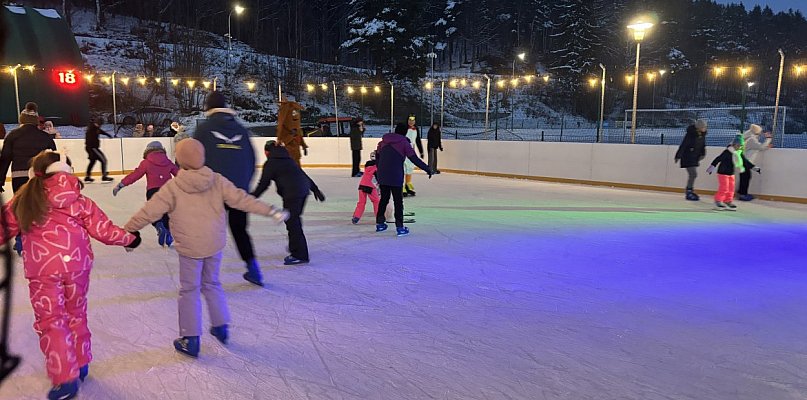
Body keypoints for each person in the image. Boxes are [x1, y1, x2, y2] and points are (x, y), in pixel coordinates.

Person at [124, 139, 288, 358]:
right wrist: (271, 211)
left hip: (189, 248)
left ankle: (190, 339)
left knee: (189, 290)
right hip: (213, 244)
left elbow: (149, 212)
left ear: (180, 160)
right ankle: (221, 326)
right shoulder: (216, 180)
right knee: (212, 283)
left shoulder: (173, 187)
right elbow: (242, 200)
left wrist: (128, 230)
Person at [2, 151, 141, 400]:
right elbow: (104, 230)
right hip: (78, 266)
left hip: (43, 269)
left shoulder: (26, 199)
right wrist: (130, 238)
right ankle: (81, 363)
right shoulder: (80, 200)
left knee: (52, 320)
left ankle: (66, 378)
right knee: (76, 313)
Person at [193, 92, 265, 285]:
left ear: (208, 107)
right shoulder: (241, 130)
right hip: (238, 191)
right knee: (240, 230)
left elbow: (193, 159)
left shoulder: (204, 129)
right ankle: (254, 269)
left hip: (212, 191)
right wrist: (244, 185)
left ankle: (203, 275)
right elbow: (251, 159)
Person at [252, 141, 325, 265]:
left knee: (293, 222)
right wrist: (315, 189)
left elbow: (263, 184)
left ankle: (300, 254)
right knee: (293, 220)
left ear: (266, 152)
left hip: (293, 193)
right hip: (302, 192)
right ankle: (295, 247)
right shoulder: (288, 159)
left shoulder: (271, 163)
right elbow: (303, 175)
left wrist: (250, 198)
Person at [0, 102, 57, 254]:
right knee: (40, 206)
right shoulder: (44, 136)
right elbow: (54, 158)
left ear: (22, 119)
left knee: (21, 207)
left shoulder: (12, 135)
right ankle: (42, 237)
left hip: (19, 177)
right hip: (39, 177)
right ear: (35, 120)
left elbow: (5, 158)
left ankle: (20, 240)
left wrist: (0, 179)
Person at [113, 141, 179, 246]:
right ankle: (169, 233)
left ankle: (159, 226)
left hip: (153, 191)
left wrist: (121, 184)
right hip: (168, 191)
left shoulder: (146, 162)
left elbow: (135, 175)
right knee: (167, 213)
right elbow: (180, 174)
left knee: (153, 213)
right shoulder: (168, 162)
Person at [375, 123, 432, 236]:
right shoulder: (404, 143)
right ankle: (400, 227)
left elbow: (377, 157)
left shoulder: (383, 142)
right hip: (396, 176)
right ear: (405, 132)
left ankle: (380, 223)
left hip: (383, 175)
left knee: (384, 199)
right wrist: (427, 169)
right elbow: (414, 158)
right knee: (398, 201)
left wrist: (380, 170)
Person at [707, 135, 744, 211]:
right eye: (738, 145)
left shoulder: (737, 154)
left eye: (740, 146)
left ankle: (728, 201)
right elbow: (718, 159)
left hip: (731, 173)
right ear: (733, 144)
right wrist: (711, 168)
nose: (739, 147)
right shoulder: (727, 152)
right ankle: (718, 200)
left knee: (731, 188)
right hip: (723, 172)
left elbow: (738, 163)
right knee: (724, 187)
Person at [674, 119, 708, 201]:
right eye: (704, 127)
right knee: (693, 174)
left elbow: (703, 145)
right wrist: (678, 156)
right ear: (699, 127)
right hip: (687, 157)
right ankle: (689, 191)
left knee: (693, 175)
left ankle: (690, 190)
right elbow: (683, 145)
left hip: (695, 157)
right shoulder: (690, 135)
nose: (705, 128)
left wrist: (703, 153)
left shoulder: (702, 135)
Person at [738, 124, 770, 201]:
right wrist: (768, 139)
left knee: (744, 177)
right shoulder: (752, 139)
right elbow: (761, 147)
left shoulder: (748, 136)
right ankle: (743, 194)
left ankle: (742, 192)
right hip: (746, 161)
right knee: (746, 177)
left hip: (743, 160)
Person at [352, 151, 380, 224]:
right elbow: (377, 177)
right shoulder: (377, 166)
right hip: (371, 186)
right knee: (376, 201)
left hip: (362, 185)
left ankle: (356, 217)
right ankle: (379, 217)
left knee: (361, 202)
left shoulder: (367, 165)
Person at [84, 118, 114, 183]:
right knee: (104, 160)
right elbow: (88, 141)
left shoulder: (95, 128)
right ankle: (104, 176)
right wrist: (91, 151)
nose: (99, 126)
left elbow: (101, 131)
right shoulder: (92, 129)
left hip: (92, 148)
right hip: (93, 148)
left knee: (92, 162)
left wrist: (107, 135)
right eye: (99, 124)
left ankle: (87, 177)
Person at [403, 114, 424, 197]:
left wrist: (421, 151)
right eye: (409, 120)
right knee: (403, 168)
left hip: (411, 152)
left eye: (413, 120)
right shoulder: (404, 129)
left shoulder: (416, 129)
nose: (411, 122)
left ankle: (408, 185)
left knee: (409, 168)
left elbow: (418, 140)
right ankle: (401, 187)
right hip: (403, 151)